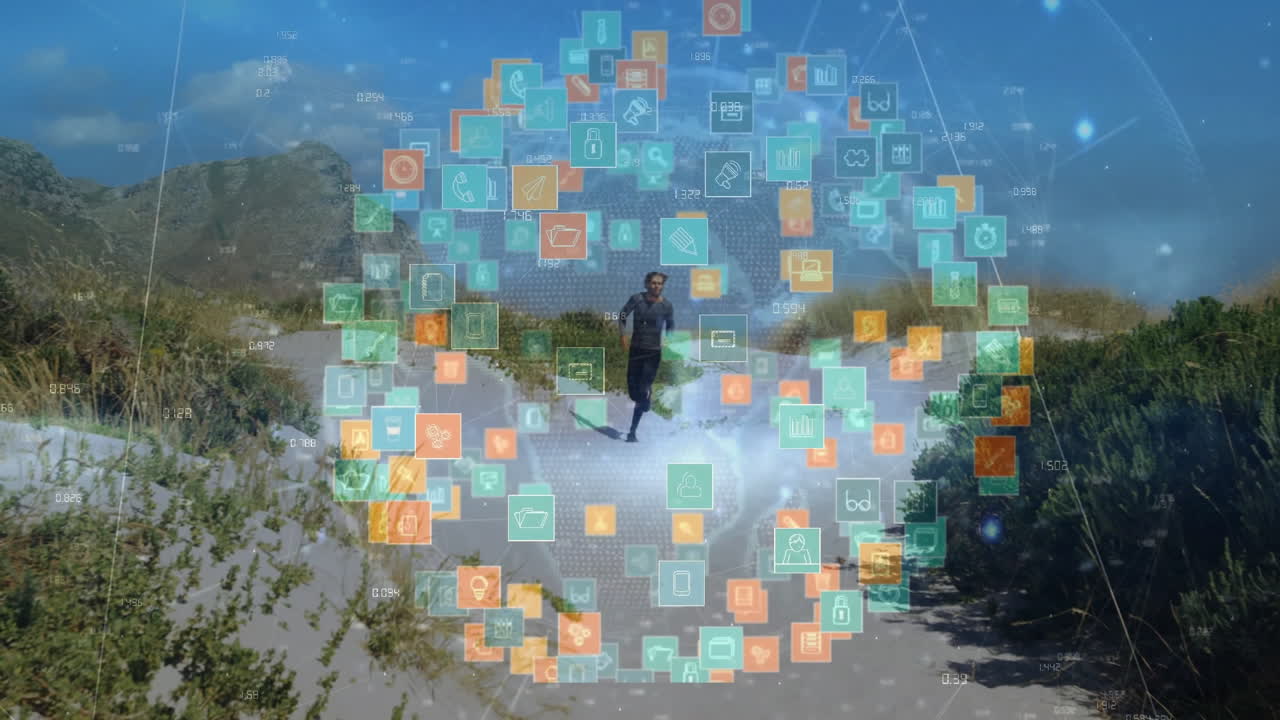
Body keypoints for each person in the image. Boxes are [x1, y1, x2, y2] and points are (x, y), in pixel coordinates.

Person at [619, 272, 674, 442]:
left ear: (662, 285)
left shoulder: (667, 306)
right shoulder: (637, 299)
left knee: (643, 390)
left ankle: (632, 432)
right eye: (653, 283)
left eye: (659, 283)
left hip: (653, 352)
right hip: (636, 350)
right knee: (634, 393)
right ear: (647, 284)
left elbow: (671, 326)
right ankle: (644, 397)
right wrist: (622, 336)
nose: (656, 286)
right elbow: (622, 315)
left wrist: (668, 342)